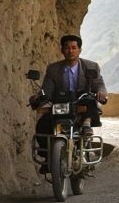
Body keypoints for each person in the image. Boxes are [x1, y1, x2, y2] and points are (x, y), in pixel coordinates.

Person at [29, 35, 108, 170]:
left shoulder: (91, 66)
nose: (70, 51)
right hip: (61, 104)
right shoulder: (53, 69)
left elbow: (99, 84)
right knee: (42, 125)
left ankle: (86, 125)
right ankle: (48, 158)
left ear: (79, 50)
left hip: (81, 102)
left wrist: (101, 92)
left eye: (73, 47)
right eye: (67, 48)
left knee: (90, 100)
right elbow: (47, 90)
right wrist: (38, 97)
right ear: (62, 50)